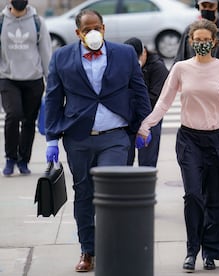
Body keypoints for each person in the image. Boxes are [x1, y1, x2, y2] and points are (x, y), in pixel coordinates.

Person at [44, 10, 151, 272]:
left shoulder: (125, 54)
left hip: (115, 136)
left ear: (103, 28)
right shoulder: (61, 57)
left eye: (97, 27)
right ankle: (88, 250)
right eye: (87, 29)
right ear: (78, 33)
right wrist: (51, 139)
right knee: (84, 194)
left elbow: (138, 90)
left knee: (112, 192)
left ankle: (114, 248)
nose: (93, 32)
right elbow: (53, 99)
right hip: (78, 138)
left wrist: (143, 127)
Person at [138, 19, 219, 272]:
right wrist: (147, 124)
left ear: (214, 42)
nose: (201, 44)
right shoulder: (181, 68)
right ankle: (192, 250)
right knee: (193, 195)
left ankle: (211, 251)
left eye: (206, 40)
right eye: (197, 40)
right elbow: (164, 101)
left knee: (218, 199)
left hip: (218, 140)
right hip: (190, 139)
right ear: (190, 42)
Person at [0, 0, 51, 176]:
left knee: (29, 122)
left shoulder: (37, 22)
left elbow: (45, 52)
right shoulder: (2, 21)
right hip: (8, 78)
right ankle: (10, 158)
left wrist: (50, 80)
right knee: (13, 115)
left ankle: (23, 160)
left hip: (34, 79)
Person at [124, 37, 169, 167]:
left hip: (151, 117)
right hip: (129, 117)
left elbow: (155, 98)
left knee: (147, 161)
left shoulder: (158, 68)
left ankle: (145, 184)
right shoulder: (123, 64)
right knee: (125, 159)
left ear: (144, 52)